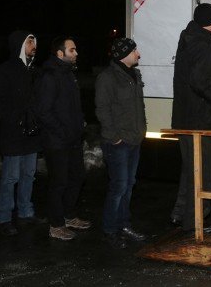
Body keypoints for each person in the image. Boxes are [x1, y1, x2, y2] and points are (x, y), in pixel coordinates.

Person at [171, 3, 211, 233]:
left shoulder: (190, 39)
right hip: (201, 120)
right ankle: (194, 222)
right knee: (202, 172)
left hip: (189, 119)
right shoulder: (203, 45)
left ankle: (181, 214)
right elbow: (200, 80)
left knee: (190, 170)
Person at [0, 31, 47, 237]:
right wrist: (17, 116)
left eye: (34, 41)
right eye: (29, 41)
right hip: (13, 132)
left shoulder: (35, 71)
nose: (34, 45)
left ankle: (25, 212)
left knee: (29, 175)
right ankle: (5, 216)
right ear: (19, 45)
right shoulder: (5, 71)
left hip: (32, 133)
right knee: (11, 177)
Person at [34, 36, 90, 241]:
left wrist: (79, 122)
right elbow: (44, 111)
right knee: (59, 182)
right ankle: (56, 224)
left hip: (72, 138)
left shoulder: (68, 74)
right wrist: (62, 131)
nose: (76, 53)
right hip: (57, 140)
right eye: (72, 50)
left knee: (77, 177)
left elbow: (71, 106)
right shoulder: (49, 75)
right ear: (60, 53)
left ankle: (68, 215)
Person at [95, 37, 147, 249]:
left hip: (133, 140)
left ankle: (123, 225)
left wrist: (141, 130)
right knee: (118, 187)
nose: (139, 54)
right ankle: (110, 230)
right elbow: (102, 109)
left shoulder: (133, 74)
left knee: (128, 186)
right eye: (135, 50)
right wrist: (114, 136)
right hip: (118, 142)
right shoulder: (107, 78)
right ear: (124, 54)